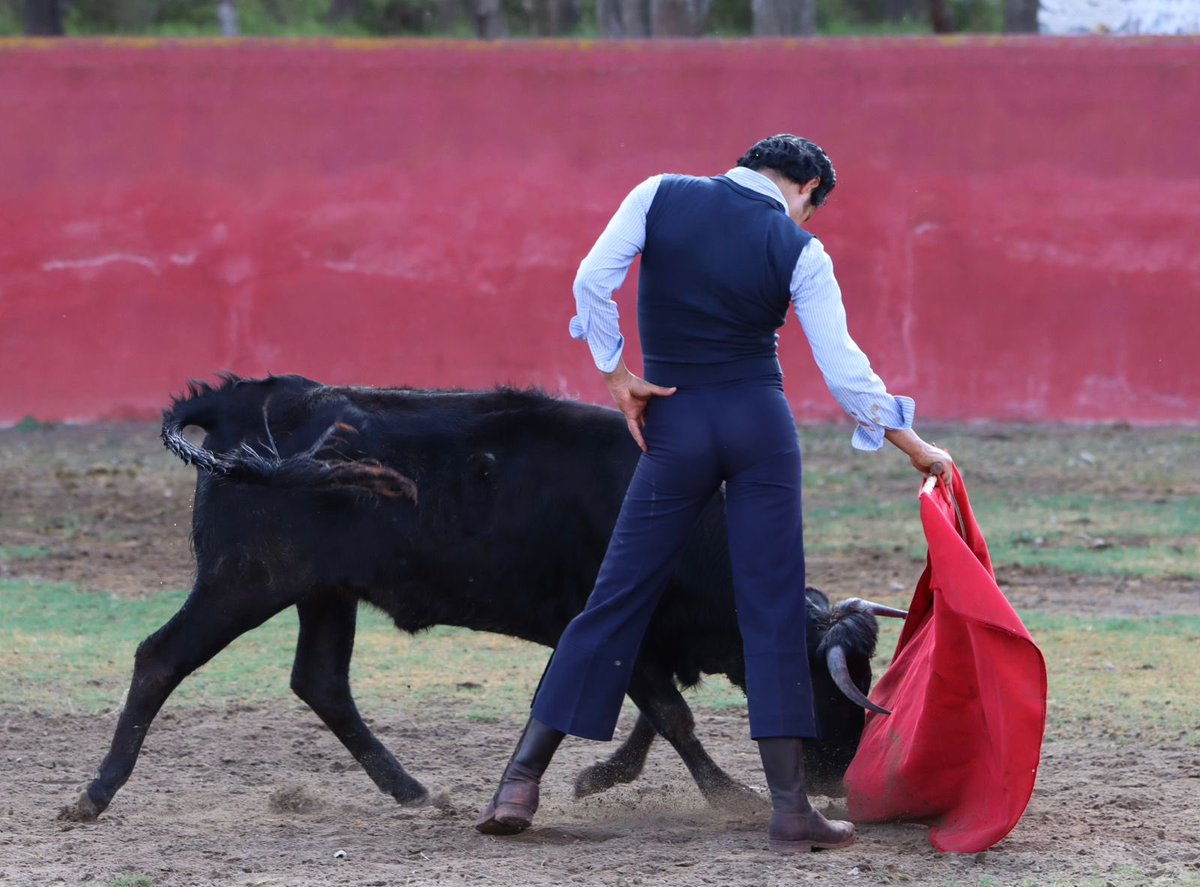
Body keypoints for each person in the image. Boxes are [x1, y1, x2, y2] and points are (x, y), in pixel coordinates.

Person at [475, 134, 953, 854]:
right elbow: (844, 370)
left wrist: (616, 375)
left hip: (675, 423)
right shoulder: (800, 248)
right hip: (759, 427)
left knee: (616, 597)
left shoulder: (658, 193)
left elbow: (591, 280)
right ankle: (791, 810)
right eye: (812, 207)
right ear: (808, 189)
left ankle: (519, 782)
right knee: (772, 609)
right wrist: (914, 445)